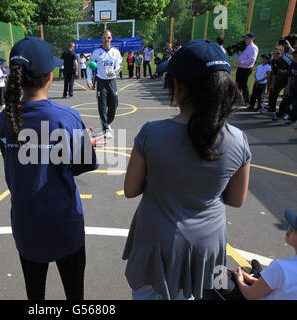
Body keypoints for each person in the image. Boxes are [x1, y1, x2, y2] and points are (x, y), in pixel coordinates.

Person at [122, 39, 251, 300]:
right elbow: (236, 199)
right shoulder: (237, 139)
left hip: (156, 238)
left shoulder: (152, 133)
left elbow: (130, 189)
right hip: (205, 245)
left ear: (177, 86)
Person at [0, 36, 103, 300]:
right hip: (62, 222)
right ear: (49, 76)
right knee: (74, 293)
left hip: (26, 222)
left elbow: (18, 158)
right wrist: (84, 145)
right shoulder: (64, 117)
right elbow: (80, 165)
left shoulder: (5, 116)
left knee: (35, 293)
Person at [233, 208, 297, 300]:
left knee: (222, 282)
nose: (290, 228)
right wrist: (255, 281)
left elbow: (249, 295)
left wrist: (239, 279)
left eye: (295, 229)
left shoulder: (281, 267)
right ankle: (257, 275)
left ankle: (257, 274)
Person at [86, 29, 122, 139]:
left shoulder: (115, 52)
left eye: (108, 37)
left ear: (111, 38)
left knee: (114, 104)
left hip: (112, 81)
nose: (106, 39)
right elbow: (89, 66)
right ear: (102, 38)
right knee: (102, 105)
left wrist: (114, 71)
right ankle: (106, 128)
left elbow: (119, 66)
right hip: (101, 80)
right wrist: (89, 79)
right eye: (104, 37)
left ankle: (107, 122)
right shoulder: (96, 52)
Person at [262, 46, 290, 119]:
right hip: (280, 77)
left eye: (277, 54)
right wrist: (272, 84)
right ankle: (271, 110)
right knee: (273, 91)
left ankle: (286, 113)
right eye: (273, 53)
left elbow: (291, 74)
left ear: (282, 53)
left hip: (290, 79)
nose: (275, 55)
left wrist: (287, 86)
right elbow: (274, 73)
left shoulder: (287, 60)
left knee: (288, 96)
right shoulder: (273, 60)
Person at [234, 33, 259, 105]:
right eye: (245, 38)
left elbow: (252, 60)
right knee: (237, 83)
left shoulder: (253, 47)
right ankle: (237, 99)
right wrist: (235, 54)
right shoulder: (245, 47)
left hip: (247, 68)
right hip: (241, 67)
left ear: (252, 39)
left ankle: (247, 100)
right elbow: (239, 59)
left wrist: (242, 62)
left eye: (247, 38)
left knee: (243, 84)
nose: (245, 40)